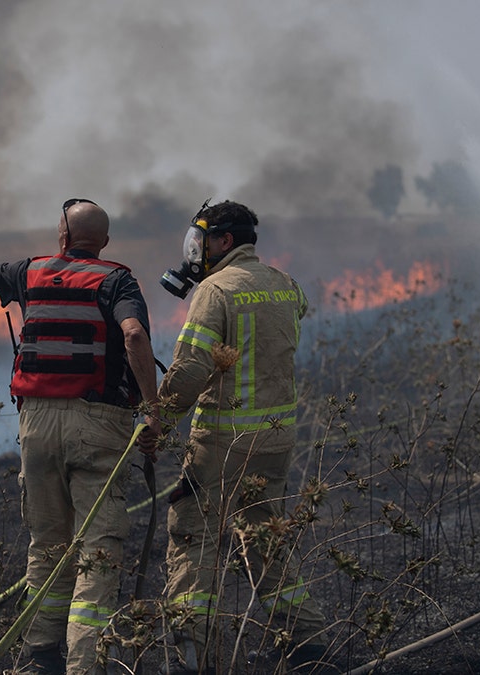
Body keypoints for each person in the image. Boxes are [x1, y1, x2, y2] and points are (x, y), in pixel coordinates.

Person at [0, 198, 161, 674]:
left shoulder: (32, 272)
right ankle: (86, 664)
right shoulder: (116, 279)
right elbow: (135, 335)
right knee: (98, 548)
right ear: (103, 242)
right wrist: (153, 410)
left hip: (36, 427)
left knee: (47, 545)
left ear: (62, 237)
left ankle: (39, 657)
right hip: (98, 425)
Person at [153, 200, 332, 675]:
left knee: (195, 539)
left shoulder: (215, 291)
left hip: (221, 442)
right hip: (274, 441)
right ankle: (309, 642)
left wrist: (159, 421)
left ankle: (193, 657)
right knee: (263, 538)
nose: (196, 251)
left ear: (224, 242)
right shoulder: (284, 284)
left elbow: (191, 368)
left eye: (202, 241)